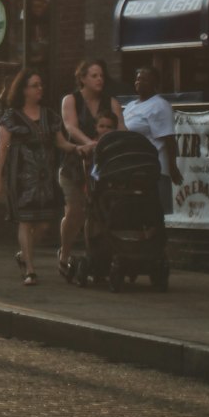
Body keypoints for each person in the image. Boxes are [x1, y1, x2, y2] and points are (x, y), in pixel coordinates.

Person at [0, 67, 78, 285]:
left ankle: (24, 254)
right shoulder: (11, 117)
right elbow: (2, 148)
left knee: (44, 224)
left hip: (45, 177)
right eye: (34, 85)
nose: (40, 89)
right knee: (24, 221)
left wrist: (78, 148)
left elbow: (60, 142)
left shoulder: (49, 115)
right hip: (20, 177)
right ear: (23, 90)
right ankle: (30, 269)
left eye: (41, 85)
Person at [58, 59, 125, 280]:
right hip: (76, 165)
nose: (99, 80)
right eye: (94, 76)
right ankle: (65, 254)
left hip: (104, 167)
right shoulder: (71, 100)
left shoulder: (111, 102)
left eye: (102, 76)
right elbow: (70, 126)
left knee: (100, 213)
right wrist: (89, 144)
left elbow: (121, 128)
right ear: (83, 78)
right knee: (75, 210)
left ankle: (97, 258)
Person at [122, 66, 183, 213]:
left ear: (154, 83)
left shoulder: (160, 105)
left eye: (144, 79)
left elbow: (169, 139)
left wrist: (172, 167)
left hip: (154, 168)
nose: (139, 81)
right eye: (137, 78)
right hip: (134, 167)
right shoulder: (130, 106)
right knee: (139, 214)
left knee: (154, 212)